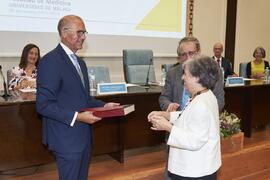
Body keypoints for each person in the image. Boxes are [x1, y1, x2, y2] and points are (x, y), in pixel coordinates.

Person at [36, 15, 118, 180]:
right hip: (65, 138)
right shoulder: (50, 61)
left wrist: (104, 106)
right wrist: (78, 117)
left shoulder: (80, 63)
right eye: (79, 32)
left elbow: (84, 99)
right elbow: (43, 105)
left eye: (84, 32)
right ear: (64, 33)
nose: (83, 36)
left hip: (83, 137)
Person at [148, 55, 221, 179]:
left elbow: (194, 141)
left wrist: (168, 127)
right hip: (199, 167)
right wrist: (166, 115)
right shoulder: (205, 94)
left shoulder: (201, 104)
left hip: (195, 171)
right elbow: (188, 117)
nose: (182, 78)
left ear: (197, 78)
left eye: (185, 74)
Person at [159, 36, 224, 113]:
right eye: (183, 54)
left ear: (198, 52)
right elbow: (164, 98)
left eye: (191, 53)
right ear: (179, 56)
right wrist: (169, 105)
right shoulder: (172, 73)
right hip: (177, 118)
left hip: (203, 119)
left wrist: (200, 115)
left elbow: (219, 101)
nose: (188, 58)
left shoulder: (213, 71)